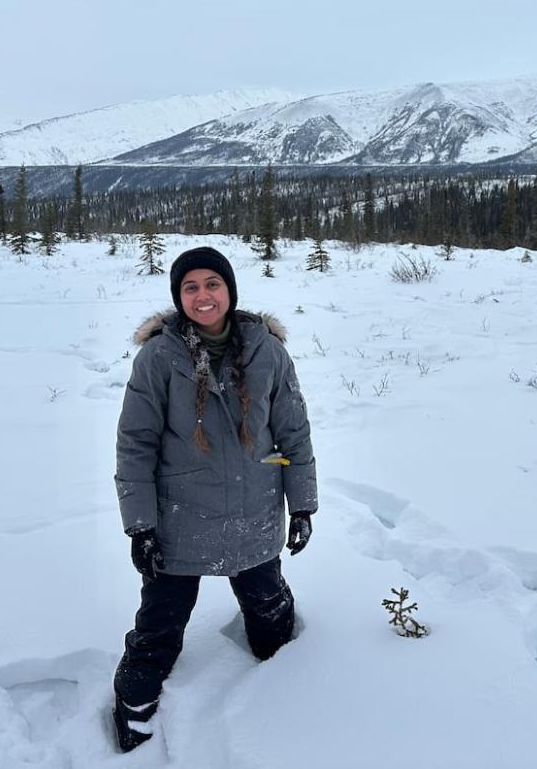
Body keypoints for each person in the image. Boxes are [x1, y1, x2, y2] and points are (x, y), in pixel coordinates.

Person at [112, 246, 318, 752]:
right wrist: (140, 526)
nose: (203, 296)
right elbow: (135, 444)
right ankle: (134, 707)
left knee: (271, 619)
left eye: (212, 284)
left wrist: (303, 505)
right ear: (179, 297)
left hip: (254, 514)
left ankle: (294, 698)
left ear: (230, 290)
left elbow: (293, 431)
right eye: (190, 287)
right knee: (158, 628)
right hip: (179, 519)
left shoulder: (267, 350)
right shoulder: (159, 356)